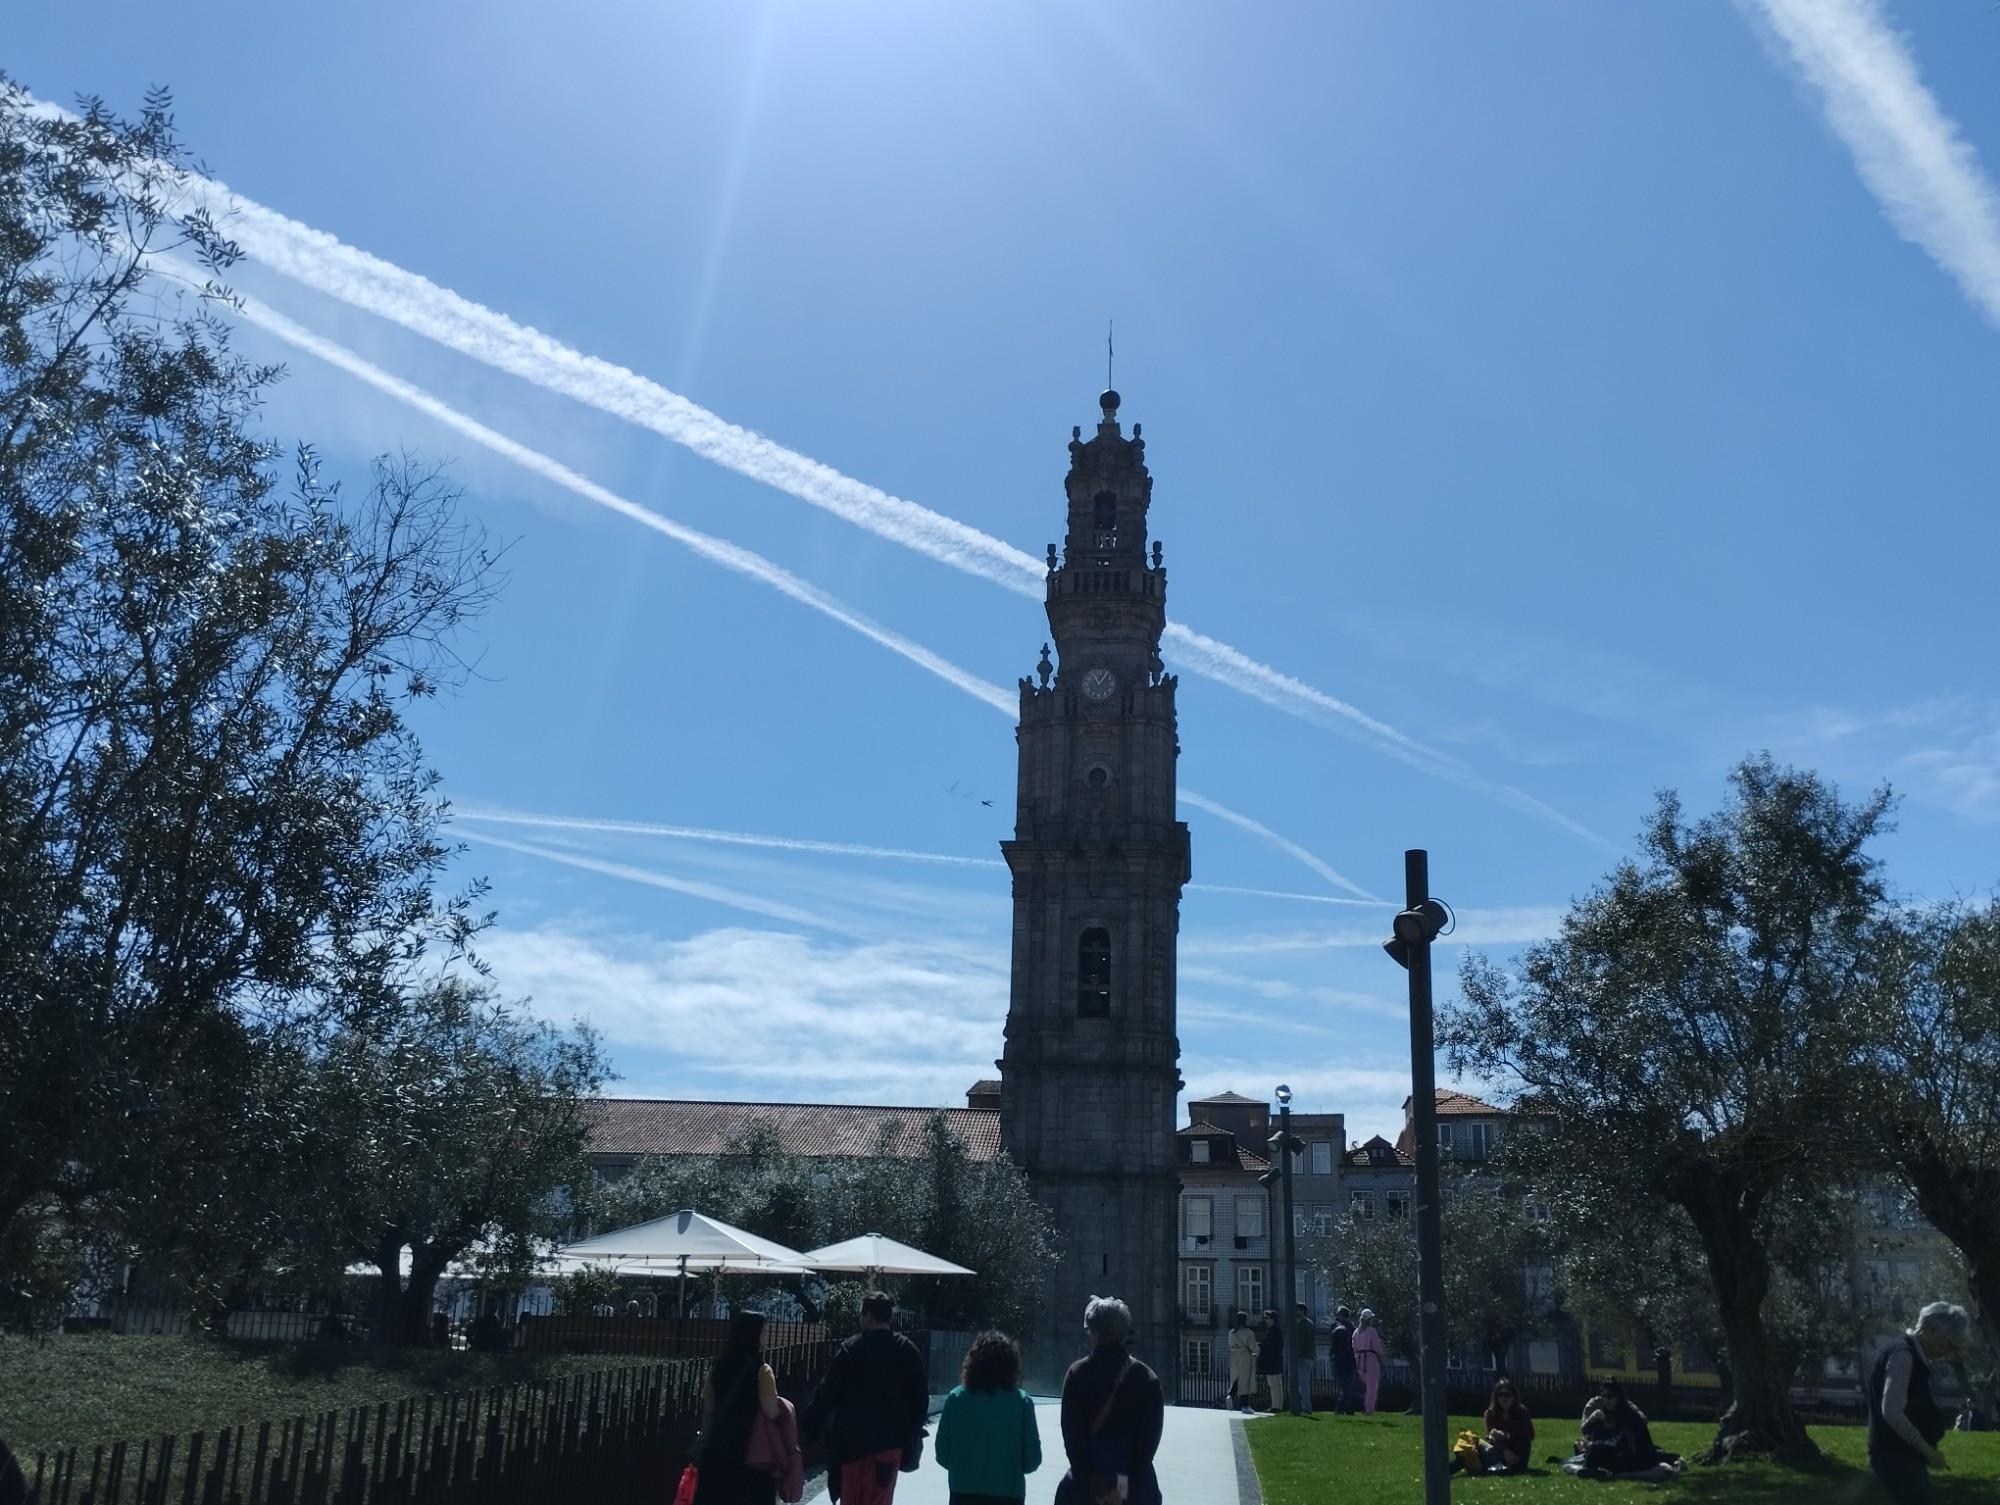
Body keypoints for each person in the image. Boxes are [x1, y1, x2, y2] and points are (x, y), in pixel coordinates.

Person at [801, 1291, 929, 1505]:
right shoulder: (908, 1350)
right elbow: (920, 1399)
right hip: (889, 1445)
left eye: (862, 1314)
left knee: (851, 1499)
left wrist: (810, 1424)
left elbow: (827, 1392)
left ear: (869, 1315)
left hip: (852, 1444)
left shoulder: (850, 1349)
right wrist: (910, 1430)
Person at [1055, 1296, 1164, 1505]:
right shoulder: (1146, 1377)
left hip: (1089, 1483)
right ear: (1123, 1332)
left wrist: (1093, 1483)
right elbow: (1149, 1440)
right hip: (1135, 1485)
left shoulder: (1077, 1373)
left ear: (1094, 1332)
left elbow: (1072, 1435)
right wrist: (1123, 1485)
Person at [1867, 1300, 1971, 1504]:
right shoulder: (1904, 1355)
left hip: (1903, 1457)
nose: (1949, 1353)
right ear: (1932, 1329)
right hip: (1894, 1456)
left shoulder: (1911, 1355)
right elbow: (1892, 1411)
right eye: (1950, 1344)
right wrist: (1929, 1452)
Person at [935, 1330, 1042, 1505]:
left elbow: (942, 1453)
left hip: (963, 1492)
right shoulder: (1022, 1402)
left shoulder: (956, 1398)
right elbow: (1032, 1460)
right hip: (1009, 1494)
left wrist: (963, 1469)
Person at [694, 1311, 785, 1505]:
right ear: (755, 1334)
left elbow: (708, 1410)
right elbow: (771, 1411)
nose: (766, 1335)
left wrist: (705, 1442)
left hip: (717, 1454)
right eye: (764, 1331)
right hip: (750, 1455)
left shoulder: (717, 1368)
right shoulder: (762, 1370)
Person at [1577, 1379, 1670, 1477]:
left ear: (1618, 1396)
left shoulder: (1628, 1415)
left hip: (1639, 1460)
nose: (1605, 1400)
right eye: (1603, 1396)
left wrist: (1594, 1446)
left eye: (1609, 1396)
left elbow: (1619, 1443)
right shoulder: (1613, 1413)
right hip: (1627, 1454)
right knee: (1597, 1450)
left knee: (1597, 1451)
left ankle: (1591, 1469)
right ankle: (1590, 1469)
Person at [1479, 1378, 1535, 1473]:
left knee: (1523, 1442)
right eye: (1500, 1395)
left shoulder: (1522, 1411)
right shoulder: (1490, 1413)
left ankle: (1511, 1465)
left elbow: (1530, 1435)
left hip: (1517, 1447)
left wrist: (1507, 1435)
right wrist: (1505, 1451)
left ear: (1514, 1397)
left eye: (1507, 1395)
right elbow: (1491, 1437)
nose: (1503, 1398)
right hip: (1499, 1448)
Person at [1350, 1310, 1386, 1415]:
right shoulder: (1371, 1331)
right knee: (1372, 1386)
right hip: (1370, 1359)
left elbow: (1354, 1348)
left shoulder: (1355, 1332)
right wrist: (1382, 1357)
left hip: (1360, 1360)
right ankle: (1369, 1409)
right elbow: (1376, 1346)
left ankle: (1367, 1406)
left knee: (1367, 1386)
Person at [1226, 1311, 1260, 1414]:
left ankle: (1230, 1395)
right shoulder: (1248, 1332)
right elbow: (1253, 1346)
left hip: (1234, 1356)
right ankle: (1245, 1405)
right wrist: (1258, 1352)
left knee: (1237, 1378)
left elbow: (1230, 1345)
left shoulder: (1232, 1332)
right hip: (1245, 1356)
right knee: (1245, 1381)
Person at [1328, 1307, 1358, 1415]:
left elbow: (1334, 1348)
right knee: (1347, 1386)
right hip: (1350, 1360)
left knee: (1343, 1386)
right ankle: (1347, 1408)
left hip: (1340, 1361)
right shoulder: (1352, 1329)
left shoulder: (1337, 1329)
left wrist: (1332, 1356)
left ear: (1340, 1315)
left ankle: (1340, 1408)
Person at [1256, 1309, 1286, 1413]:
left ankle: (1276, 1406)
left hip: (1273, 1361)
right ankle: (1277, 1405)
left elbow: (1270, 1347)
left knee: (1275, 1384)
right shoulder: (1272, 1331)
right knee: (1275, 1384)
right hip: (1274, 1361)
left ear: (1273, 1319)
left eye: (1267, 1318)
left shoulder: (1275, 1332)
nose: (1266, 1321)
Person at [1289, 1302, 1317, 1416]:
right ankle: (1304, 1405)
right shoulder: (1311, 1323)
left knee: (1303, 1384)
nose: (1295, 1313)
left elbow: (1300, 1341)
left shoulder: (1301, 1324)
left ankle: (1306, 1407)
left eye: (1297, 1310)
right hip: (1310, 1356)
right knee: (1305, 1383)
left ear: (1301, 1311)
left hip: (1303, 1357)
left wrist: (1296, 1355)